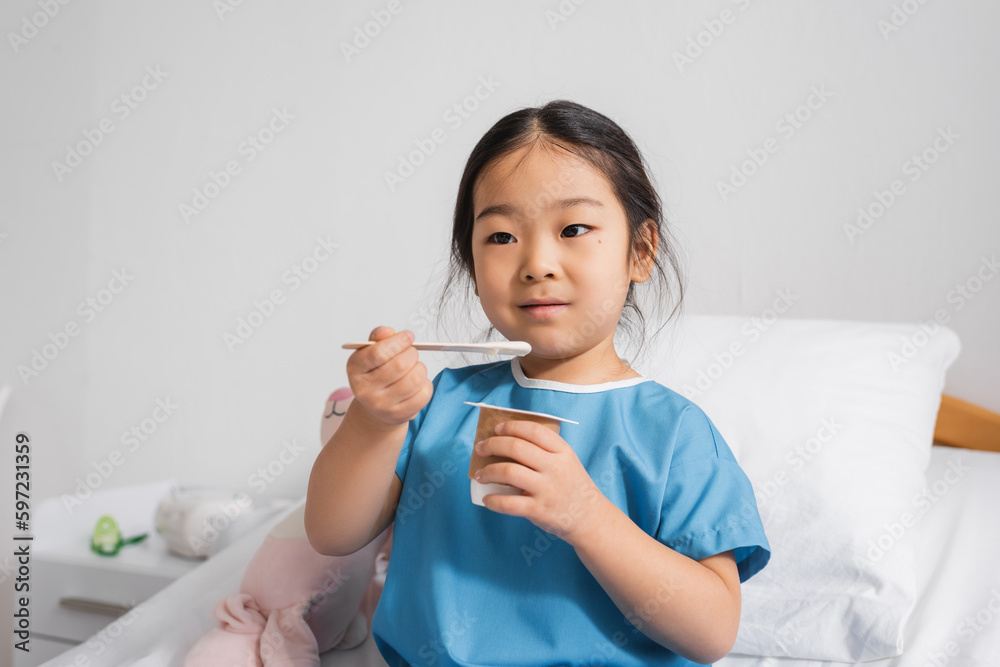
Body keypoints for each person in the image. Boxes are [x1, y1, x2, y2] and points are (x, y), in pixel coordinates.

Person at [305, 99, 770, 666]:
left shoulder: (675, 434)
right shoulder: (438, 403)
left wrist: (586, 516)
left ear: (641, 251)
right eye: (501, 237)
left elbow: (713, 632)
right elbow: (331, 533)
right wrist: (374, 420)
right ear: (472, 265)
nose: (537, 264)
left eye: (573, 229)